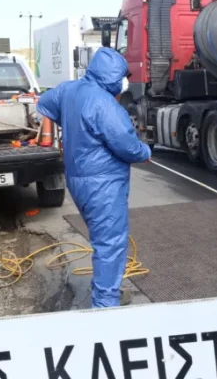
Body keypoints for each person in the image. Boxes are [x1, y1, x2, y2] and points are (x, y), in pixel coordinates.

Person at [36, 47, 151, 308]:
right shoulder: (106, 105)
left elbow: (44, 103)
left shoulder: (69, 90)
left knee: (103, 241)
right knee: (110, 245)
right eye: (123, 76)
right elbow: (127, 146)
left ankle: (105, 292)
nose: (124, 82)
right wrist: (145, 151)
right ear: (112, 75)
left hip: (78, 181)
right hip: (103, 185)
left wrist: (69, 123)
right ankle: (105, 307)